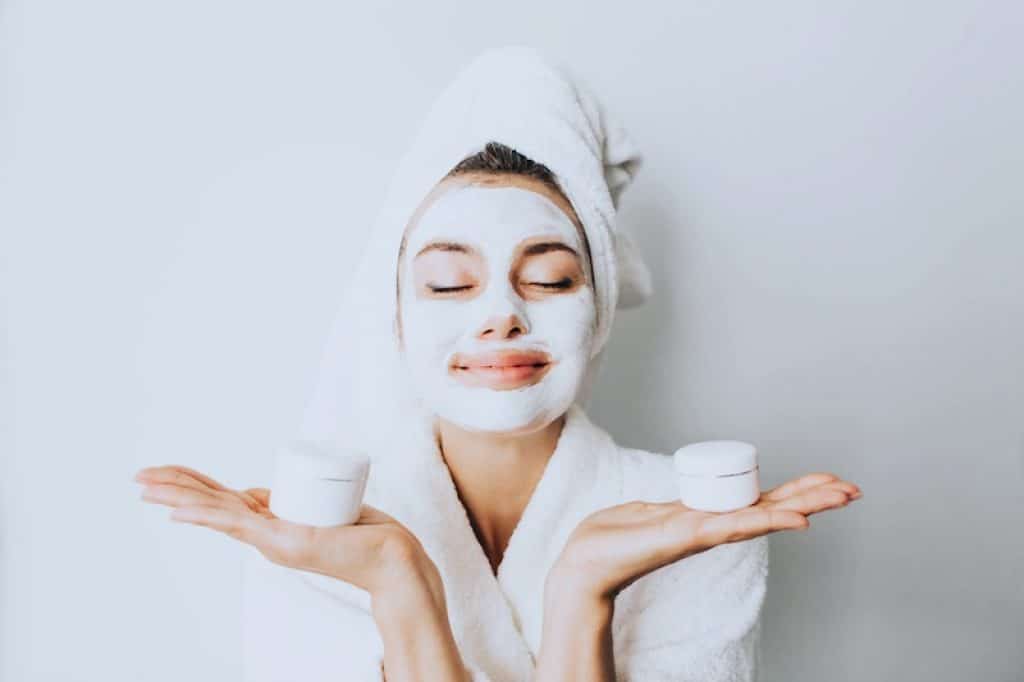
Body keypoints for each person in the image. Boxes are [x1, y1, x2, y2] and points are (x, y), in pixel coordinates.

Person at [134, 47, 861, 681]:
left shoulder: (695, 523)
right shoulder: (317, 539)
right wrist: (398, 582)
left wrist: (584, 592)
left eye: (549, 278)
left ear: (599, 309)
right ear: (395, 318)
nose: (500, 313)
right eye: (450, 284)